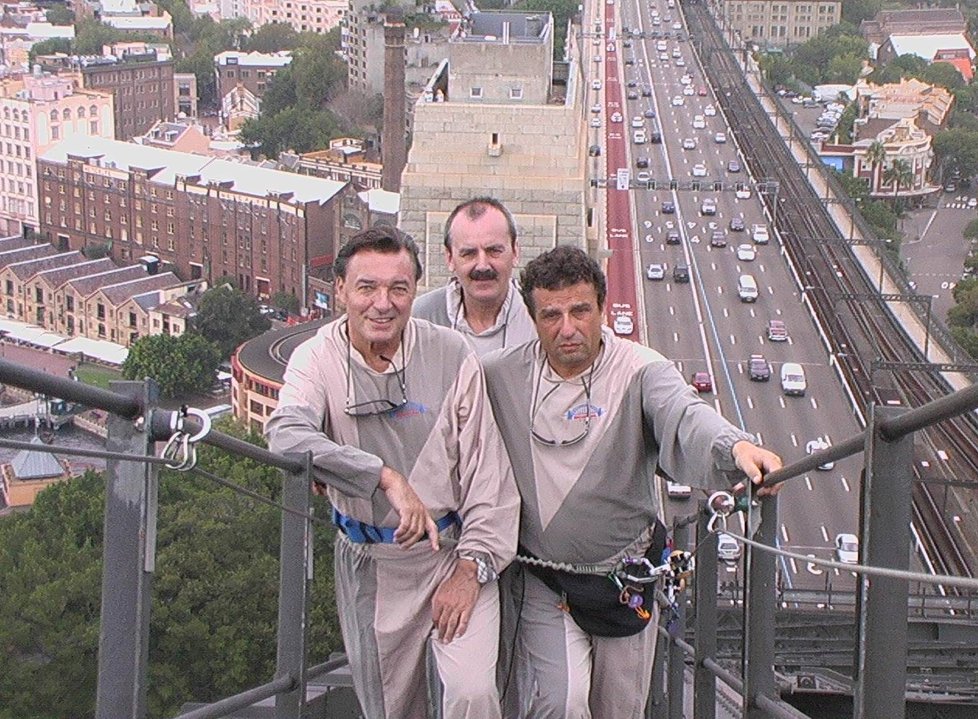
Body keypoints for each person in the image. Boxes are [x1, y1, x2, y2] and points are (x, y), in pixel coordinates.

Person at [481, 246, 782, 718]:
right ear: (532, 318)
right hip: (542, 578)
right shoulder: (501, 375)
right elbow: (448, 421)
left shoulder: (641, 370)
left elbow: (685, 413)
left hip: (625, 578)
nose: (567, 328)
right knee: (560, 701)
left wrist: (736, 449)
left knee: (618, 708)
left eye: (580, 311)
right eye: (551, 315)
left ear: (602, 307)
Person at [265, 225, 520, 719]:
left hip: (453, 554)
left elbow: (490, 477)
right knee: (389, 706)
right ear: (339, 289)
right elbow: (286, 434)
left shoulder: (451, 354)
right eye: (367, 288)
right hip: (371, 560)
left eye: (398, 289)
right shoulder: (315, 358)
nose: (383, 304)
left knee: (473, 693)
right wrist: (382, 475)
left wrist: (470, 570)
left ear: (414, 292)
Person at [413, 197, 537, 356]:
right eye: (469, 253)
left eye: (494, 251)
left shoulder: (538, 318)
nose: (482, 265)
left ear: (515, 252)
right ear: (449, 258)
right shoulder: (420, 319)